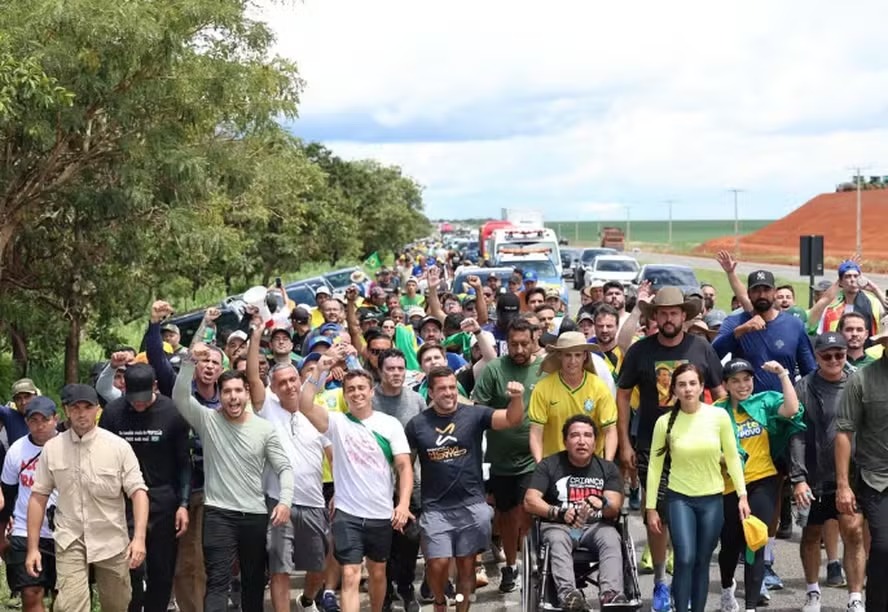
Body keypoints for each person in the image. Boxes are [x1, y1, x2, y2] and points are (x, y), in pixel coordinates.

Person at [617, 287, 725, 611]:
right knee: (656, 519)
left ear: (684, 316)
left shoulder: (701, 347)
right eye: (662, 313)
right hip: (654, 446)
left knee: (691, 518)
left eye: (674, 313)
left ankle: (687, 583)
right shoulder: (640, 351)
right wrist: (625, 442)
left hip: (697, 448)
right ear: (655, 318)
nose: (668, 318)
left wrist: (721, 439)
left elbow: (720, 394)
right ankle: (662, 582)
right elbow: (622, 394)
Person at [173, 343, 295, 612]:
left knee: (253, 581)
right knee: (217, 581)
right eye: (226, 391)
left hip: (254, 514)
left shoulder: (264, 429)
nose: (232, 397)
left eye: (238, 390)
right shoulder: (208, 421)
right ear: (220, 395)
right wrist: (189, 362)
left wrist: (285, 501)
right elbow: (181, 397)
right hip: (218, 514)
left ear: (247, 393)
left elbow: (284, 467)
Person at [299, 352, 414, 612]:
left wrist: (403, 504)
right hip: (347, 513)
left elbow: (405, 466)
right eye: (350, 389)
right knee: (350, 574)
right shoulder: (336, 422)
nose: (357, 393)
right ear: (344, 393)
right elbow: (304, 405)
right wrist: (319, 369)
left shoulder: (389, 424)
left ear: (371, 391)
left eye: (362, 388)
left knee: (376, 572)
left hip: (381, 513)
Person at [405, 367, 524, 612]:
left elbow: (512, 419)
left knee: (466, 567)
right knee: (437, 564)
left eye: (452, 387)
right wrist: (404, 500)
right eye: (442, 388)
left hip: (471, 504)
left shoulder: (474, 414)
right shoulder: (417, 425)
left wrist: (516, 398)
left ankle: (461, 608)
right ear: (431, 392)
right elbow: (405, 464)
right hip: (436, 507)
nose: (449, 393)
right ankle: (439, 601)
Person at [27, 384, 149, 612]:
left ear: (98, 409)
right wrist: (32, 548)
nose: (82, 413)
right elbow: (38, 497)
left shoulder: (118, 447)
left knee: (118, 604)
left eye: (87, 407)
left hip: (111, 539)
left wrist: (139, 538)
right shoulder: (52, 448)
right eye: (75, 407)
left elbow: (138, 492)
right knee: (69, 606)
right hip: (69, 538)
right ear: (66, 410)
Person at [646, 364, 749, 612]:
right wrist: (651, 508)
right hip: (679, 498)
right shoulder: (664, 423)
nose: (688, 389)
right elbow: (654, 467)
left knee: (702, 561)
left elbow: (733, 456)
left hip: (712, 498)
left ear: (702, 386)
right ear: (674, 390)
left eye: (693, 383)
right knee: (684, 558)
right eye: (682, 384)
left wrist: (742, 494)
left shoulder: (719, 416)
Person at [99, 364, 192, 612]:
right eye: (133, 399)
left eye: (143, 400)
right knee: (130, 566)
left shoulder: (172, 412)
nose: (138, 405)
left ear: (154, 387)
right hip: (125, 501)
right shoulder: (113, 412)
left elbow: (184, 463)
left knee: (161, 571)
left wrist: (183, 504)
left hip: (163, 498)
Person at [715, 359, 804, 612]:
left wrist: (783, 374)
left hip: (762, 480)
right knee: (730, 544)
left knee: (756, 540)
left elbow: (792, 409)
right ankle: (726, 589)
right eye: (736, 380)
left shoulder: (764, 401)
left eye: (747, 379)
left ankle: (751, 606)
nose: (743, 385)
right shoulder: (717, 410)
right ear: (726, 384)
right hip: (730, 485)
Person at [789, 332, 866, 612]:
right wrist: (798, 479)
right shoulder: (804, 387)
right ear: (817, 357)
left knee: (854, 533)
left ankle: (855, 596)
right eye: (827, 355)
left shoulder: (858, 383)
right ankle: (812, 593)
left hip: (852, 475)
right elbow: (795, 434)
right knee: (811, 535)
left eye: (839, 354)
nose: (834, 360)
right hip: (813, 476)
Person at [524, 414, 626, 611]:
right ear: (565, 441)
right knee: (556, 539)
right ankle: (569, 596)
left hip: (595, 527)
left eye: (588, 435)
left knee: (612, 537)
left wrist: (602, 502)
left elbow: (614, 507)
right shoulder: (549, 465)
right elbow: (530, 500)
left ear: (595, 442)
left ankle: (611, 594)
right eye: (575, 435)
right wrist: (557, 512)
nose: (581, 441)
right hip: (560, 526)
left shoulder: (607, 468)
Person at [471, 318, 543, 593]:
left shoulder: (544, 369)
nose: (519, 349)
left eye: (525, 343)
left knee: (527, 510)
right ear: (506, 344)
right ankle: (511, 566)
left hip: (533, 457)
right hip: (500, 460)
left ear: (534, 340)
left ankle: (529, 564)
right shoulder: (495, 370)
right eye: (514, 344)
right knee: (507, 517)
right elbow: (479, 411)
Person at [836, 324, 888, 612]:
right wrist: (843, 485)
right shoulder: (862, 379)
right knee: (882, 546)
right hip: (876, 477)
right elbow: (844, 432)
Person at [371, 349, 427, 612]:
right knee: (382, 542)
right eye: (390, 369)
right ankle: (384, 592)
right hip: (375, 485)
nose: (396, 373)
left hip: (411, 482)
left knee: (410, 539)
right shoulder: (368, 398)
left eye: (400, 369)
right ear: (380, 371)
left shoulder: (416, 400)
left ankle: (405, 586)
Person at [0, 396, 59, 612]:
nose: (40, 426)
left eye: (45, 420)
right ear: (26, 422)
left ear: (56, 419)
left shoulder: (70, 446)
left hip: (64, 531)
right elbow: (7, 494)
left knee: (63, 597)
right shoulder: (17, 450)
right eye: (33, 420)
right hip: (24, 530)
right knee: (30, 591)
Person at [713, 269, 816, 392]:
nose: (762, 295)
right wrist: (740, 331)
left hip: (783, 405)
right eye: (756, 291)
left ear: (774, 292)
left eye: (766, 290)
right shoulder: (735, 322)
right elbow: (713, 354)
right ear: (749, 294)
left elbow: (809, 371)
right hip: (746, 404)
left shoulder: (794, 325)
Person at [529, 332, 618, 462]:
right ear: (559, 356)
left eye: (577, 355)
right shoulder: (543, 388)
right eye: (568, 355)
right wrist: (540, 465)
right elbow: (536, 431)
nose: (573, 361)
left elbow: (610, 430)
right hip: (554, 465)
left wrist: (607, 465)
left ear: (585, 356)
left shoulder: (599, 387)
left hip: (591, 466)